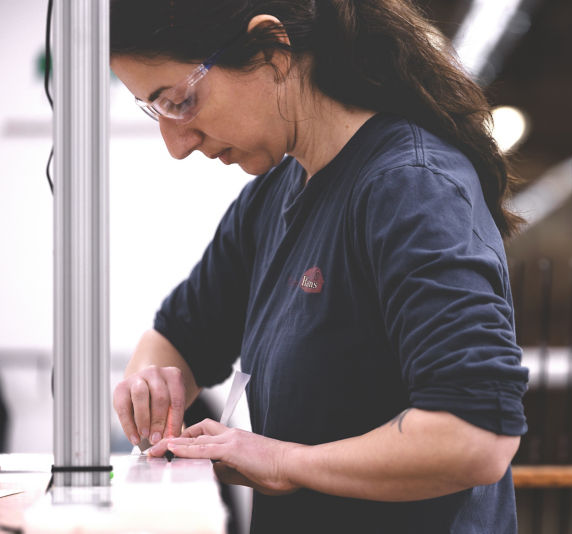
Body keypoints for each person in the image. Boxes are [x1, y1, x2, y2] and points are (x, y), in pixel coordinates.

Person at [110, 0, 529, 531]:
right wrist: (151, 387)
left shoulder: (411, 188)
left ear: (271, 50)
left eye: (181, 101)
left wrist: (283, 461)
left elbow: (474, 438)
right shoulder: (271, 199)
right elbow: (175, 339)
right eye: (158, 112)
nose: (177, 145)